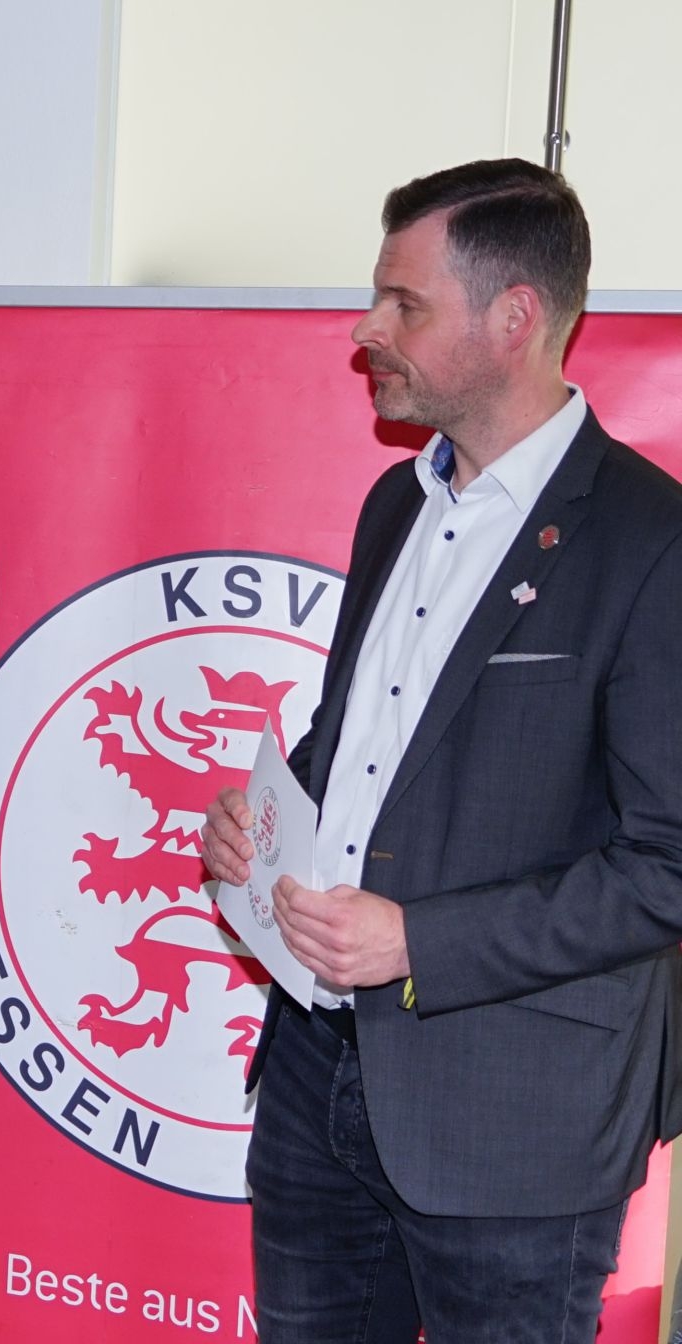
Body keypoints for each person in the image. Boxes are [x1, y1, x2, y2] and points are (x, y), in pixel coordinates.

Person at [201, 159, 682, 1340]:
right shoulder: (394, 507)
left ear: (515, 317)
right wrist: (265, 822)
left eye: (403, 304)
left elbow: (668, 866)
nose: (366, 330)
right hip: (313, 1076)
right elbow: (364, 743)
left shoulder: (653, 541)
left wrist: (419, 942)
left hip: (515, 1121)